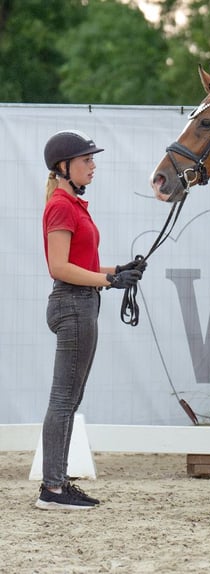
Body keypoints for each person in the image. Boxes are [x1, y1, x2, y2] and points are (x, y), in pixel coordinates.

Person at [36, 130, 145, 510]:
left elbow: (80, 264)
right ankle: (52, 489)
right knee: (64, 398)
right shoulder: (62, 206)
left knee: (70, 397)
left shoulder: (73, 204)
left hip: (82, 302)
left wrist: (119, 270)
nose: (93, 166)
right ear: (64, 167)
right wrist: (109, 281)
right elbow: (59, 266)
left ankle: (57, 482)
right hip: (74, 305)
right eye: (86, 160)